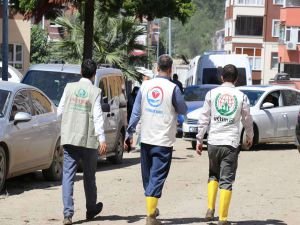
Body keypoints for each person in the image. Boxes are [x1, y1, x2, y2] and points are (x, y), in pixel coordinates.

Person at [125, 54, 187, 225]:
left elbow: (136, 112)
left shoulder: (145, 86)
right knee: (158, 175)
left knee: (148, 176)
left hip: (145, 138)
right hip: (163, 140)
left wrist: (129, 133)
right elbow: (182, 109)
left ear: (157, 68)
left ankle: (151, 207)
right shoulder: (173, 88)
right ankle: (151, 214)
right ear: (171, 69)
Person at [196, 64, 253, 225]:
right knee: (226, 180)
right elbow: (247, 119)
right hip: (230, 143)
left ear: (221, 77)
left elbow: (204, 118)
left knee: (213, 174)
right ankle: (223, 218)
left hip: (213, 142)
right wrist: (250, 136)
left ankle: (210, 209)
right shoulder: (241, 96)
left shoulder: (211, 94)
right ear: (236, 79)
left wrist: (199, 139)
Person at [57, 59, 107, 225]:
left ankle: (68, 214)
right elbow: (98, 116)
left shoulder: (69, 88)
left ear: (80, 71)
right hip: (88, 141)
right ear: (94, 74)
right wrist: (102, 139)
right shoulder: (95, 91)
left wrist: (64, 127)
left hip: (70, 139)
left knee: (68, 176)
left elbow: (60, 111)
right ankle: (91, 208)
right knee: (89, 176)